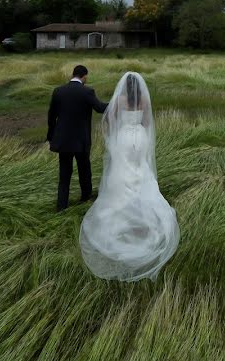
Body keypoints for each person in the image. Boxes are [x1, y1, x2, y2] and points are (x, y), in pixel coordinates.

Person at [79, 72, 179, 281]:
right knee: (140, 168)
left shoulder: (120, 100)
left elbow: (110, 119)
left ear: (124, 87)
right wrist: (139, 131)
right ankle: (144, 212)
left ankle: (122, 209)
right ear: (139, 88)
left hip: (123, 137)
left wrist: (115, 135)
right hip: (140, 138)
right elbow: (148, 123)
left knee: (121, 171)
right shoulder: (143, 100)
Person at [46, 65, 108, 211]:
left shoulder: (58, 91)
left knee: (64, 175)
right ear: (84, 76)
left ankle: (61, 207)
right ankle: (85, 199)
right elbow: (100, 108)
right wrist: (118, 102)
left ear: (73, 74)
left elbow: (51, 116)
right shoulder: (87, 92)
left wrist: (51, 137)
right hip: (81, 140)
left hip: (63, 141)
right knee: (84, 170)